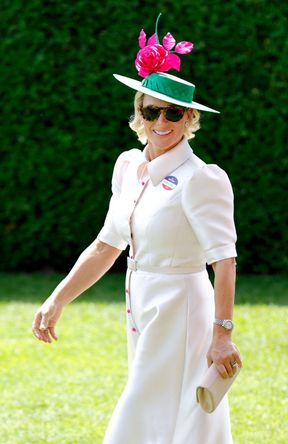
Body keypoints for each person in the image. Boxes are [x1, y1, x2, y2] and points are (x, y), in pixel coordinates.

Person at [32, 14, 242, 444]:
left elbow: (225, 262)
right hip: (140, 303)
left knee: (146, 405)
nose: (161, 122)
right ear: (138, 114)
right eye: (152, 111)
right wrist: (57, 299)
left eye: (173, 113)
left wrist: (222, 336)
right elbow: (106, 245)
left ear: (188, 119)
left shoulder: (203, 178)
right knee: (169, 411)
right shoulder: (129, 166)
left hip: (182, 307)